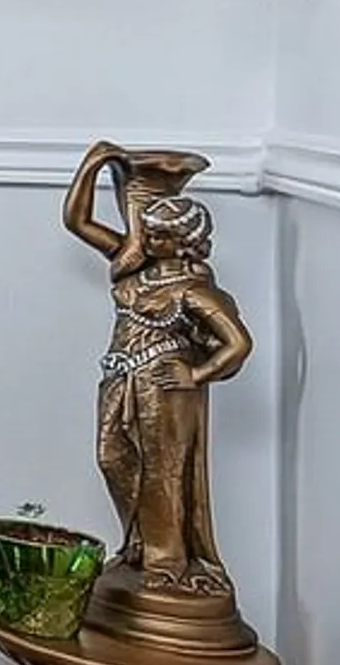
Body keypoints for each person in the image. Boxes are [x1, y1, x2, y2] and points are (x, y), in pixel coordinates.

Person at [62, 143, 255, 593]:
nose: (143, 238)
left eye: (155, 234)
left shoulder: (194, 290)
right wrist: (93, 164)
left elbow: (238, 344)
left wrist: (197, 375)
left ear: (182, 241)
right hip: (119, 376)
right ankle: (141, 544)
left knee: (164, 471)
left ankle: (167, 564)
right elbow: (77, 222)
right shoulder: (133, 269)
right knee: (113, 458)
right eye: (146, 231)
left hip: (165, 383)